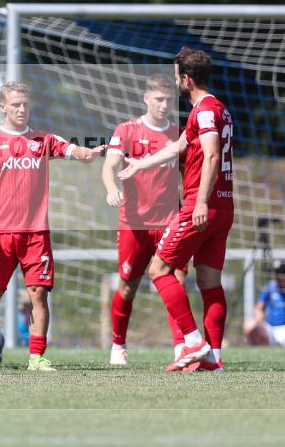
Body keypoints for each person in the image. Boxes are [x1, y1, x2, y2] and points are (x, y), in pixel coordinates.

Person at [0, 81, 104, 372]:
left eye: (25, 104)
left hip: (35, 233)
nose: (21, 109)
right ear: (2, 106)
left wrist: (87, 154)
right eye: (15, 104)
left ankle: (36, 357)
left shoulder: (42, 140)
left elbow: (70, 149)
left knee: (38, 294)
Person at [119, 47, 234, 373]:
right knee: (209, 282)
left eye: (176, 77)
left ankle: (193, 342)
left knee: (159, 270)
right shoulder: (217, 109)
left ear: (186, 79)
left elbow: (211, 155)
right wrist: (141, 165)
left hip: (203, 206)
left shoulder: (205, 112)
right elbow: (180, 146)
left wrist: (198, 201)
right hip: (223, 206)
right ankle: (213, 358)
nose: (175, 83)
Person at [101, 74, 182, 365]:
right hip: (134, 223)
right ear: (146, 98)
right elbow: (109, 165)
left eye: (169, 100)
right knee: (127, 286)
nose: (163, 105)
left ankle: (182, 346)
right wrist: (112, 189)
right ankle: (118, 346)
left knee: (176, 280)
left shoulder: (179, 133)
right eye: (158, 99)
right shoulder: (126, 130)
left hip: (170, 220)